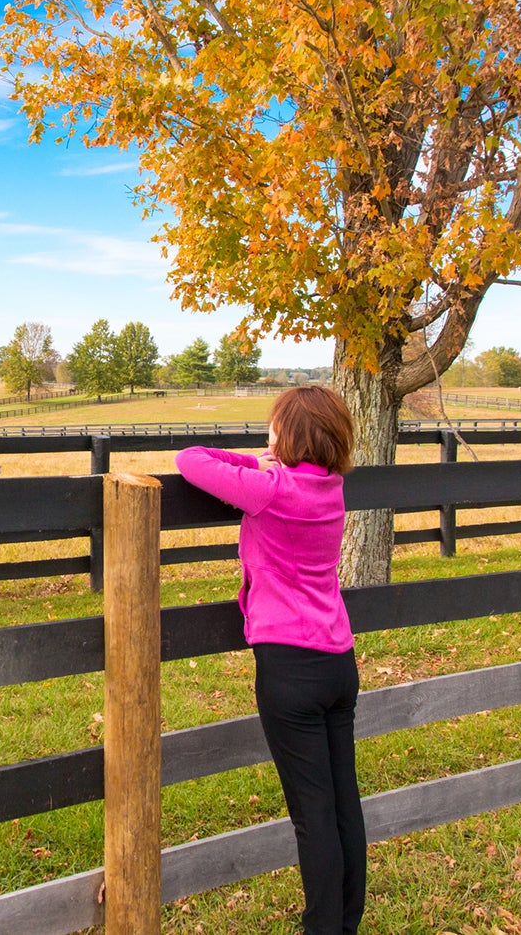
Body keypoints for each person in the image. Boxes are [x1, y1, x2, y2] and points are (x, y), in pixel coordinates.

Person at [175, 384, 366, 935]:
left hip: (289, 667)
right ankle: (345, 923)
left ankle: (321, 929)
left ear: (289, 436)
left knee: (312, 814)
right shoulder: (331, 488)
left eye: (274, 427)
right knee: (342, 804)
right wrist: (270, 462)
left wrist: (257, 461)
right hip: (338, 663)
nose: (268, 434)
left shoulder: (271, 490)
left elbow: (189, 460)